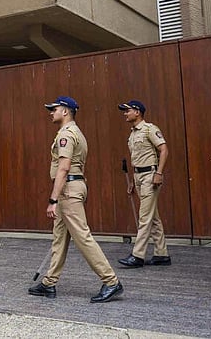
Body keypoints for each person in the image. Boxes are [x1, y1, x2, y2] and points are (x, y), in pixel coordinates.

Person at [28, 96, 123, 303]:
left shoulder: (67, 135)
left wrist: (52, 199)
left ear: (66, 111)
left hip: (68, 189)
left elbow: (64, 167)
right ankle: (49, 283)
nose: (50, 112)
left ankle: (111, 281)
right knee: (60, 236)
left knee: (82, 236)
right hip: (69, 188)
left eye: (54, 109)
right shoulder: (72, 133)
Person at [116, 100, 171, 268]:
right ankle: (162, 254)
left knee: (144, 216)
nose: (125, 113)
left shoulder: (150, 129)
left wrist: (159, 173)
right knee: (152, 217)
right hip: (139, 176)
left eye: (128, 110)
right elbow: (137, 159)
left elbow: (164, 150)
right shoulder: (133, 133)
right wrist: (133, 180)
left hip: (150, 176)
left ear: (137, 112)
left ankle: (137, 255)